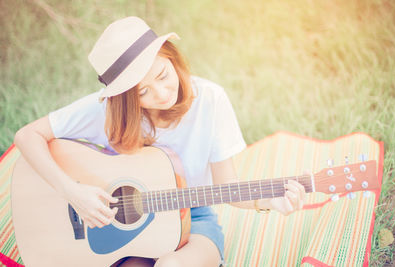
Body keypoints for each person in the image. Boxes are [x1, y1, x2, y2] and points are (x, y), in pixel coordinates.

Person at [14, 17, 306, 267]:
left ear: (171, 57)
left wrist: (268, 199)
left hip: (193, 218)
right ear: (124, 97)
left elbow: (227, 188)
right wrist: (73, 193)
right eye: (143, 93)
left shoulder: (210, 100)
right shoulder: (104, 110)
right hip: (119, 229)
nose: (162, 92)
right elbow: (27, 136)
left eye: (163, 75)